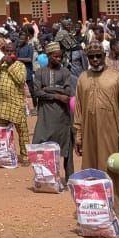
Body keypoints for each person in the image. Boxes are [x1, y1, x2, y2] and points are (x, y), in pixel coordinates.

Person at [73, 41, 119, 226]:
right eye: (92, 56)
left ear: (104, 55)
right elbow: (79, 111)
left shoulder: (116, 78)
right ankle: (97, 214)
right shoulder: (82, 78)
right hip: (90, 137)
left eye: (99, 55)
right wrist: (79, 135)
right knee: (92, 173)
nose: (96, 59)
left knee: (115, 172)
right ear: (87, 57)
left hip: (112, 134)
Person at [32, 42, 77, 182]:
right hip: (45, 116)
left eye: (60, 56)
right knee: (40, 145)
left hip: (62, 117)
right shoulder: (40, 72)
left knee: (66, 148)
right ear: (49, 56)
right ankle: (44, 179)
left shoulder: (65, 72)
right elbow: (37, 92)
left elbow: (68, 92)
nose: (59, 59)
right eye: (56, 56)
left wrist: (48, 89)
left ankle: (70, 179)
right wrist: (57, 95)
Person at [0, 40, 30, 165]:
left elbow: (21, 80)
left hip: (16, 104)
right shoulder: (1, 64)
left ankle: (25, 156)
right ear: (4, 52)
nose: (10, 53)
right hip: (3, 105)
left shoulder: (19, 65)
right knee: (2, 132)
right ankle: (4, 155)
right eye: (7, 51)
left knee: (23, 132)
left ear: (15, 53)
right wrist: (0, 63)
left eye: (12, 51)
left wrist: (10, 65)